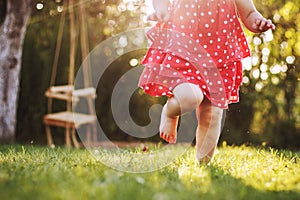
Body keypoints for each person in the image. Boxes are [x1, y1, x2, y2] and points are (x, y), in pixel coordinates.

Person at [138, 0, 275, 162]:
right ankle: (170, 112)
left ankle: (203, 162)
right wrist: (162, 10)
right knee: (190, 97)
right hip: (184, 49)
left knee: (212, 113)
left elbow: (249, 13)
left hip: (220, 55)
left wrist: (258, 22)